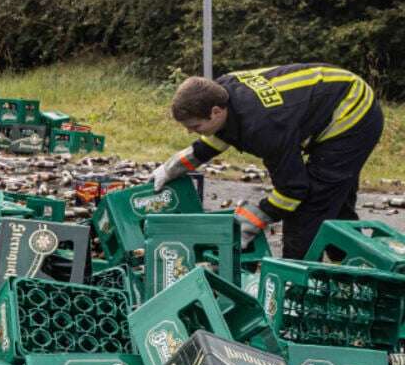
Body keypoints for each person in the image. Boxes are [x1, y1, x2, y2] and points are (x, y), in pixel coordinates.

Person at [153, 65, 383, 259]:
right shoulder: (224, 91)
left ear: (215, 112)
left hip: (353, 113)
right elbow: (222, 134)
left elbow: (293, 190)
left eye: (195, 127)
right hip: (334, 94)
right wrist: (173, 167)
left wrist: (251, 222)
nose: (190, 132)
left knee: (310, 207)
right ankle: (353, 268)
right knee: (334, 204)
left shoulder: (264, 128)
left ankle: (293, 282)